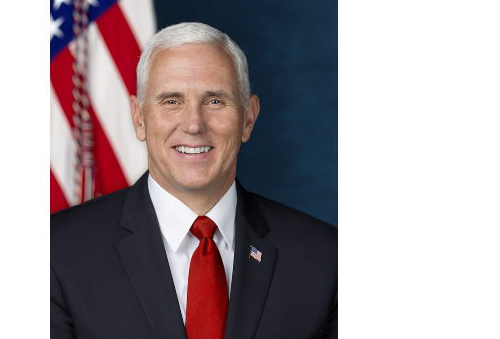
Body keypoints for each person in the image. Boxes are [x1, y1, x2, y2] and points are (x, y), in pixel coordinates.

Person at [51, 22, 337, 339]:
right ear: (139, 118)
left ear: (248, 118)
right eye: (171, 101)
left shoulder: (326, 259)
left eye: (215, 100)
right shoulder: (57, 254)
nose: (193, 124)